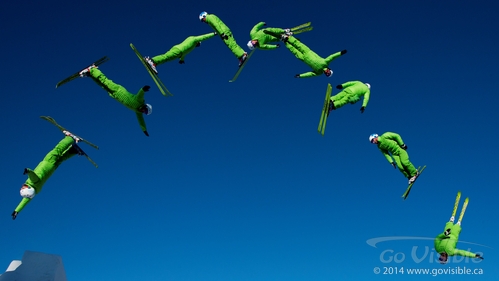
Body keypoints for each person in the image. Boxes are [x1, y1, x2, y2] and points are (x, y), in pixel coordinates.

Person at [11, 132, 82, 220]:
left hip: (52, 169)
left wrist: (16, 211)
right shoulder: (34, 181)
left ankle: (73, 151)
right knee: (57, 150)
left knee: (61, 158)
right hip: (47, 162)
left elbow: (25, 201)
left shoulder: (34, 191)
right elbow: (33, 175)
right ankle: (70, 138)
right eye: (24, 187)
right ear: (28, 188)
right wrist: (28, 171)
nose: (22, 186)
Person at [79, 65, 152, 136]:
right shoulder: (140, 102)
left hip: (115, 96)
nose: (143, 112)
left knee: (102, 85)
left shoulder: (137, 111)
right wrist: (143, 89)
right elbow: (140, 95)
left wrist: (144, 130)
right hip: (118, 90)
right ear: (145, 106)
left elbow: (141, 121)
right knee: (105, 81)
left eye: (145, 113)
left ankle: (90, 74)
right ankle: (93, 69)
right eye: (145, 110)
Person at [435, 192, 484, 264]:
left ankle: (452, 217)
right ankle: (459, 220)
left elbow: (437, 239)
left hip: (446, 232)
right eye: (443, 259)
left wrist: (444, 234)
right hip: (454, 234)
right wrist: (474, 255)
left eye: (440, 258)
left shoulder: (438, 249)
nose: (442, 257)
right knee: (458, 224)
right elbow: (462, 253)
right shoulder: (451, 252)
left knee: (450, 222)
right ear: (446, 259)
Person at [275, 33, 346, 78]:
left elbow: (310, 74)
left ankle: (285, 41)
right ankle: (289, 37)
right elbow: (332, 57)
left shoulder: (319, 73)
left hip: (304, 58)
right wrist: (340, 53)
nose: (327, 73)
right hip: (308, 52)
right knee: (298, 45)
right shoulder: (325, 62)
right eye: (328, 72)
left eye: (327, 74)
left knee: (294, 51)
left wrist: (300, 75)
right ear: (329, 69)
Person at [144, 32, 217, 74]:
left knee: (167, 58)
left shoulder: (191, 45)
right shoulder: (194, 39)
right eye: (198, 45)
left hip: (178, 50)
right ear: (198, 42)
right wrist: (213, 34)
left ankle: (154, 63)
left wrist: (182, 60)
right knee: (166, 57)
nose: (197, 46)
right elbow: (204, 37)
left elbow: (185, 52)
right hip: (178, 50)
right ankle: (151, 60)